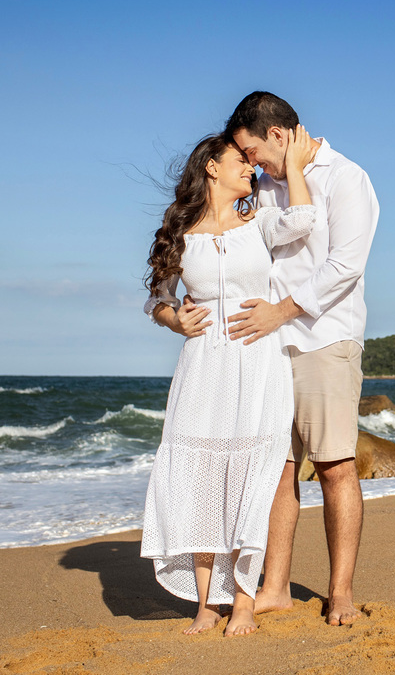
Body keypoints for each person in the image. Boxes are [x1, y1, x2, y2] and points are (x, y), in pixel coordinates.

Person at [141, 132, 316, 636]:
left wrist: (298, 165)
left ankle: (243, 600)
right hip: (202, 366)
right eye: (241, 160)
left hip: (257, 359)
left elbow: (303, 220)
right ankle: (205, 605)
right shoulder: (180, 232)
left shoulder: (256, 221)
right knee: (199, 476)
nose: (251, 168)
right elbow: (156, 297)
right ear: (211, 168)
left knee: (249, 479)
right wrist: (174, 319)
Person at [225, 91, 379, 626]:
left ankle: (340, 593)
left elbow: (345, 267)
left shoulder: (347, 177)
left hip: (324, 338)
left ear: (278, 134)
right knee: (276, 469)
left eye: (253, 152)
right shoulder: (263, 188)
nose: (252, 164)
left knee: (335, 466)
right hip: (269, 345)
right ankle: (275, 587)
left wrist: (281, 312)